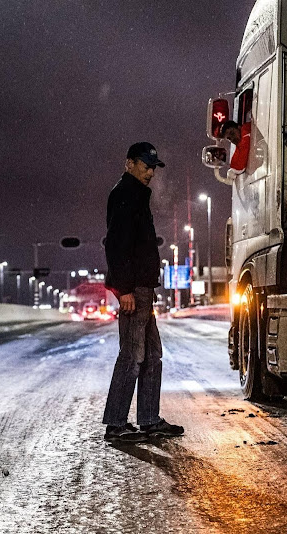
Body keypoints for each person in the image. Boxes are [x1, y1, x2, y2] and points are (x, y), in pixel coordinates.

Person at [102, 142, 184, 443]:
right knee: (132, 355)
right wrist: (123, 289)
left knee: (152, 355)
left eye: (152, 167)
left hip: (143, 288)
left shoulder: (136, 195)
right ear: (129, 164)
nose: (150, 172)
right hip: (133, 288)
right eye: (145, 165)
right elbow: (115, 245)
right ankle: (116, 424)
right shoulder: (124, 194)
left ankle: (149, 419)